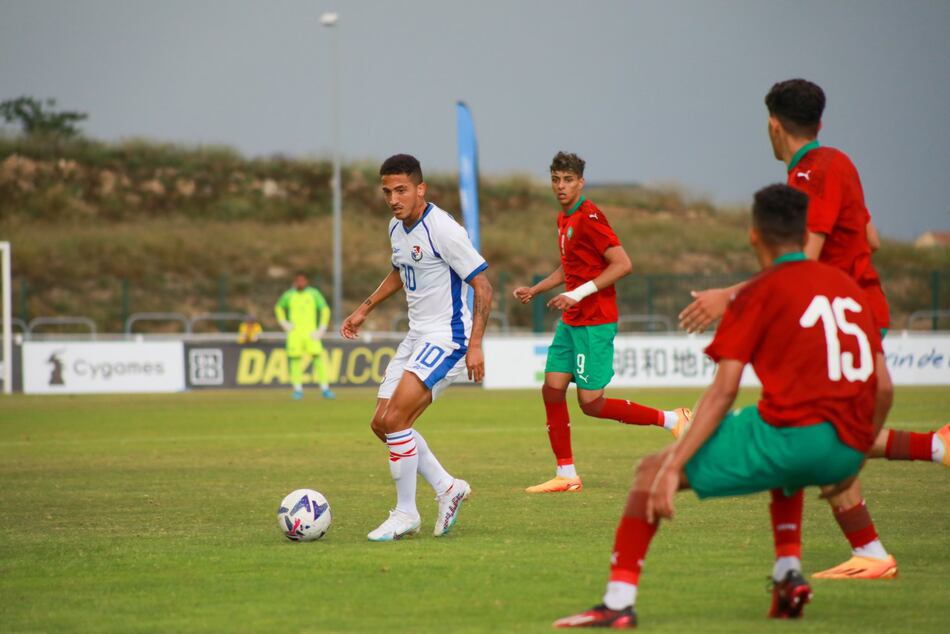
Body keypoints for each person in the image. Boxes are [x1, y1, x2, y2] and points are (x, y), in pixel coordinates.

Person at [554, 184, 894, 628]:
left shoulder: (758, 292)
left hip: (792, 440)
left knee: (650, 472)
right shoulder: (847, 288)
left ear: (755, 235)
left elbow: (722, 391)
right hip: (846, 447)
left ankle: (618, 602)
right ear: (805, 232)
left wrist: (676, 461)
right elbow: (884, 388)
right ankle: (787, 572)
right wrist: (852, 453)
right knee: (769, 434)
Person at [679, 78, 949, 579]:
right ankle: (923, 465)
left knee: (810, 432)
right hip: (851, 313)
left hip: (839, 318)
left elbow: (802, 262)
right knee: (821, 431)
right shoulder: (839, 163)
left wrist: (728, 296)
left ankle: (873, 544)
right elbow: (870, 237)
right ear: (819, 122)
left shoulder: (812, 172)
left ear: (772, 125)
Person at [513, 151, 691, 494]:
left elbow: (623, 264)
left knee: (591, 404)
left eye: (568, 180)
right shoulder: (563, 218)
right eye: (556, 180)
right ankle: (566, 474)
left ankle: (672, 419)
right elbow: (572, 265)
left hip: (594, 321)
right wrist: (537, 289)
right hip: (572, 319)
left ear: (581, 182)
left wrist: (575, 295)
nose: (561, 186)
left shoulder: (590, 216)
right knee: (551, 390)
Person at [340, 153, 493, 542]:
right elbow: (399, 270)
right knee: (382, 424)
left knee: (396, 422)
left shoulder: (442, 229)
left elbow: (483, 286)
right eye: (388, 191)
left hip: (447, 337)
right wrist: (364, 309)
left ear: (420, 189)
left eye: (402, 190)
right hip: (416, 335)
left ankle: (406, 513)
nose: (394, 198)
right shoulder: (396, 227)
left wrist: (475, 345)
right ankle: (447, 487)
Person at [274, 273, 335, 400]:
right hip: (295, 334)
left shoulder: (314, 294)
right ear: (295, 281)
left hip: (311, 333)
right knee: (295, 361)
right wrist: (283, 322)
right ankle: (298, 390)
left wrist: (322, 328)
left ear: (306, 281)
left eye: (303, 280)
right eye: (298, 280)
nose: (301, 283)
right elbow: (278, 307)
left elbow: (325, 309)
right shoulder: (289, 295)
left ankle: (325, 388)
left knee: (318, 359)